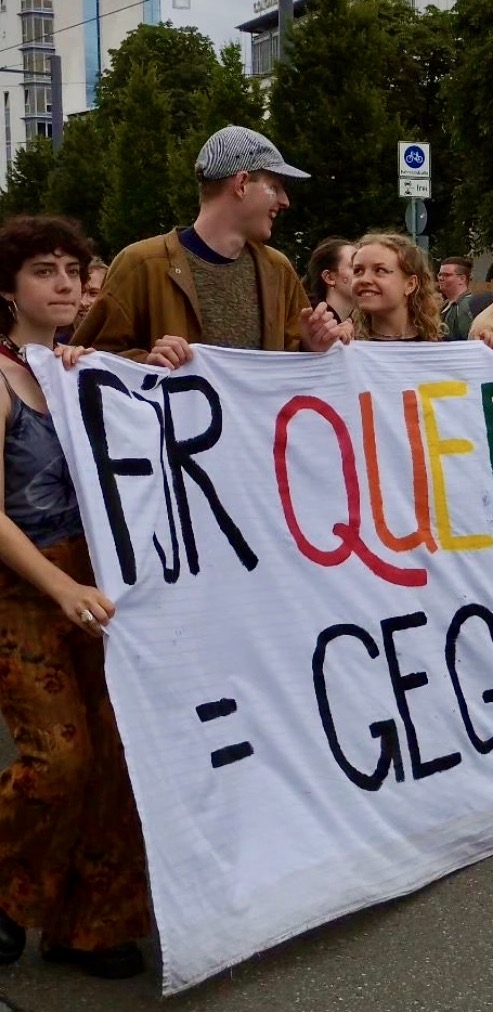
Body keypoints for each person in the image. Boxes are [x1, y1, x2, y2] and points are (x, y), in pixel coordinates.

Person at [0, 216, 149, 979]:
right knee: (58, 758)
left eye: (72, 270)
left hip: (99, 584)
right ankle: (6, 889)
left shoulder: (78, 370)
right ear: (8, 289)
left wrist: (160, 364)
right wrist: (58, 586)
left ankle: (90, 925)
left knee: (119, 754)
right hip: (23, 589)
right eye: (43, 271)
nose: (63, 284)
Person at [73, 124, 345, 367]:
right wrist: (147, 363)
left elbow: (291, 375)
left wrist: (311, 346)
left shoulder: (278, 270)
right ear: (241, 183)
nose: (285, 201)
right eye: (274, 186)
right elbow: (85, 361)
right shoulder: (141, 264)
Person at [351, 232, 444, 343]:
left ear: (410, 284)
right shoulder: (345, 345)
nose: (364, 279)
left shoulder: (440, 349)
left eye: (380, 270)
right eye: (357, 271)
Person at [303, 237, 357, 325]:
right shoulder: (310, 324)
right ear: (329, 278)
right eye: (355, 267)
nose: (364, 275)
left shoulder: (366, 324)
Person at [438, 256, 474, 341]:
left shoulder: (466, 306)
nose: (440, 278)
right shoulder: (445, 305)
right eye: (440, 274)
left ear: (462, 279)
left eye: (446, 275)